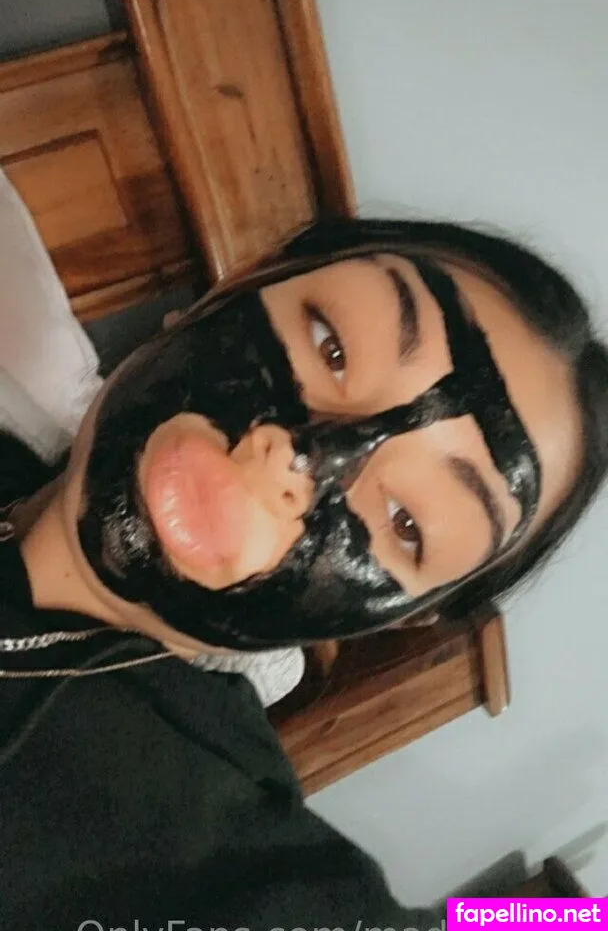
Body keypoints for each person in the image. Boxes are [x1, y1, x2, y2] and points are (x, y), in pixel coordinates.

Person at [1, 218, 607, 928]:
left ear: (404, 616)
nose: (300, 458)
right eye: (332, 346)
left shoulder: (212, 849)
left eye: (406, 523)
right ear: (239, 283)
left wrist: (562, 919)